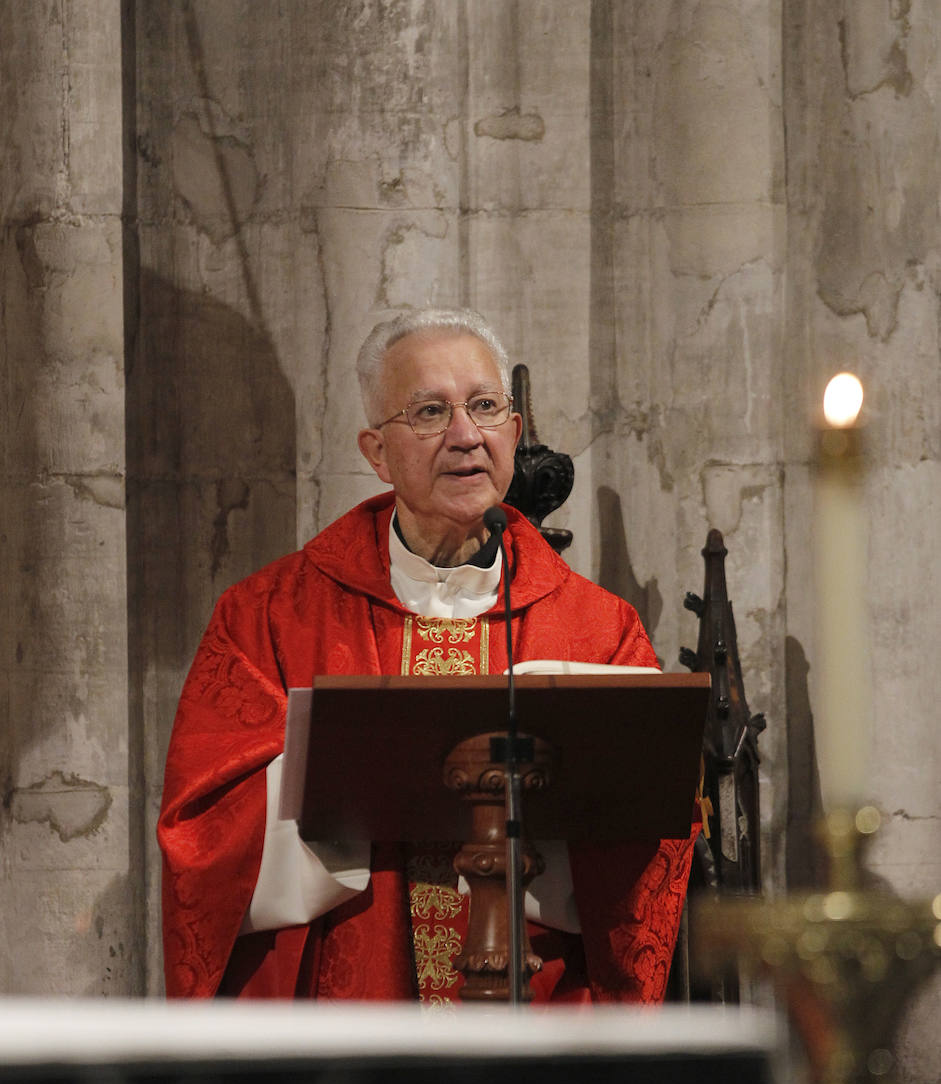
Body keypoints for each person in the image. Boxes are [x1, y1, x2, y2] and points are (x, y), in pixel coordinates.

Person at [158, 307, 698, 1003]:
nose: (465, 436)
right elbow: (201, 844)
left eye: (484, 406)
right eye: (428, 412)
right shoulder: (268, 617)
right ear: (375, 452)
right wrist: (346, 770)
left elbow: (650, 845)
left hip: (537, 1013)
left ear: (513, 429)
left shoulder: (597, 627)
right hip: (347, 1022)